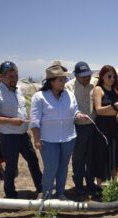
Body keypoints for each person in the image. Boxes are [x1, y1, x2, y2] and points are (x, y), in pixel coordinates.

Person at [31, 62, 88, 200]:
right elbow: (34, 121)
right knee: (51, 169)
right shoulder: (39, 97)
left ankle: (61, 193)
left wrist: (78, 115)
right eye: (60, 80)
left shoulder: (68, 95)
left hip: (68, 138)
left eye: (64, 79)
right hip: (48, 140)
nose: (64, 82)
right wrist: (37, 140)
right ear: (51, 81)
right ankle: (46, 196)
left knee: (63, 168)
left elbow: (74, 111)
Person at [0, 61, 42, 198]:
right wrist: (11, 121)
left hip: (23, 135)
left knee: (33, 160)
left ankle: (41, 187)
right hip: (9, 137)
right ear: (2, 77)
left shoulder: (18, 90)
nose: (14, 79)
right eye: (11, 76)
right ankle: (10, 195)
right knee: (11, 166)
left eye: (16, 75)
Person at [65, 61, 100, 196]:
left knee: (91, 157)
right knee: (78, 158)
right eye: (83, 76)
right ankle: (79, 184)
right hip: (77, 128)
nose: (87, 78)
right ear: (76, 75)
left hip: (93, 126)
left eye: (88, 75)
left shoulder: (96, 83)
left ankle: (90, 183)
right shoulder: (69, 87)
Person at [92, 65, 118, 183]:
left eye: (114, 77)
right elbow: (98, 110)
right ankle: (100, 186)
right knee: (101, 156)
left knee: (114, 155)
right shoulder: (98, 89)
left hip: (114, 126)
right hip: (102, 127)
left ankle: (114, 186)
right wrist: (112, 106)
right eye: (109, 76)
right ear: (102, 76)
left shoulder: (115, 90)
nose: (112, 79)